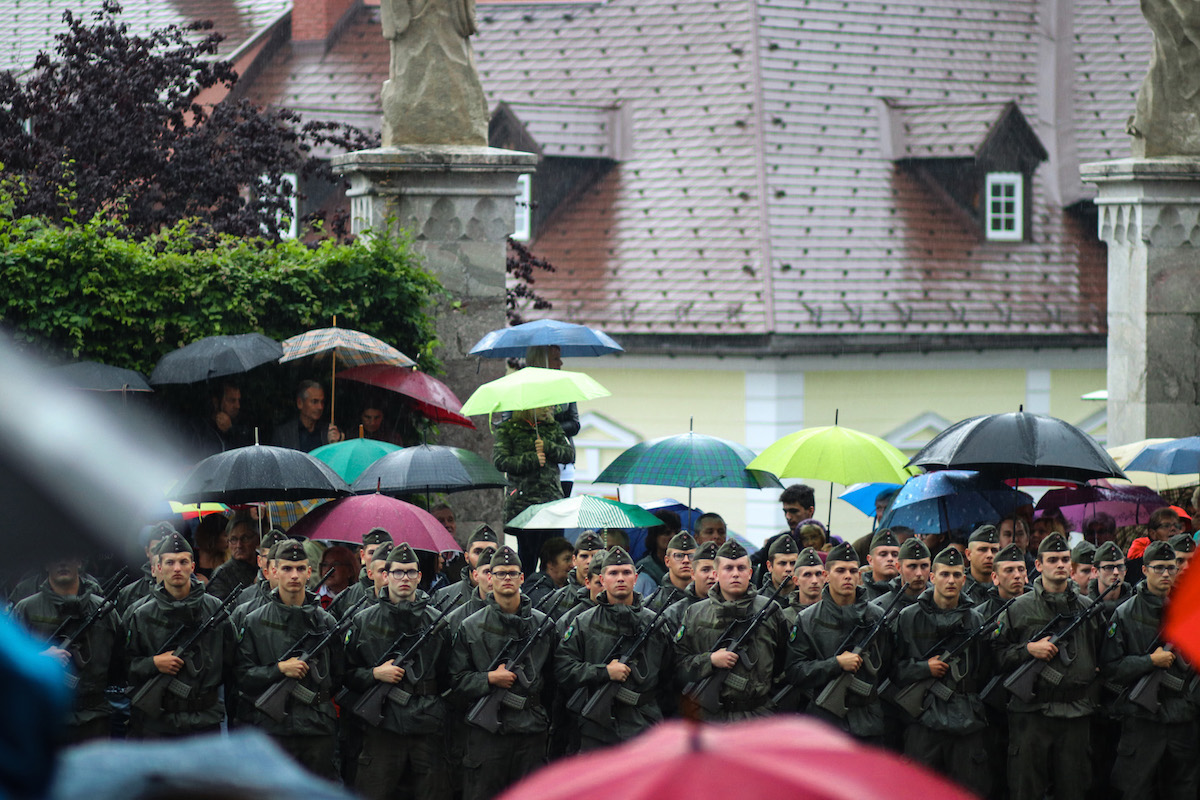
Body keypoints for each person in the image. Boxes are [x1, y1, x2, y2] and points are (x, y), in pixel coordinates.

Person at [992, 532, 1100, 800]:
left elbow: (1101, 656)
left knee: (1074, 789)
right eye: (1053, 559)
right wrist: (1028, 649)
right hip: (1032, 715)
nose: (1060, 565)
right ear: (1038, 565)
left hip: (1076, 713)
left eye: (1065, 559)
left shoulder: (1088, 608)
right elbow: (996, 657)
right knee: (1026, 788)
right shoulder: (1017, 608)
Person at [344, 542, 452, 800]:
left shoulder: (438, 623)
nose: (405, 578)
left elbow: (451, 677)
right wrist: (374, 675)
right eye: (398, 572)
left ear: (420, 577)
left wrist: (437, 708)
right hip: (381, 726)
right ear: (385, 575)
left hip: (426, 726)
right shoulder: (363, 620)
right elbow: (344, 674)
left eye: (411, 572)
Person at [450, 547, 553, 800]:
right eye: (500, 573)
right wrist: (488, 679)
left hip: (531, 730)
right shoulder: (470, 627)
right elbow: (455, 680)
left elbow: (554, 681)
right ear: (489, 578)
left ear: (521, 578)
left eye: (512, 573)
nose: (506, 578)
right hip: (487, 736)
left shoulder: (543, 626)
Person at [1101, 539, 1198, 799]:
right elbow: (1110, 668)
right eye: (1158, 568)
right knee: (1136, 791)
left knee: (1183, 790)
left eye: (1171, 567)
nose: (1166, 573)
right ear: (1144, 570)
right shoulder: (1125, 614)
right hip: (1142, 722)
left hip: (1182, 720)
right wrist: (1149, 662)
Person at [234, 541, 340, 778]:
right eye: (287, 569)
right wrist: (279, 669)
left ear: (309, 572)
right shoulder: (254, 621)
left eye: (301, 569)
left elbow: (339, 676)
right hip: (272, 728)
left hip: (317, 727)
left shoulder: (326, 623)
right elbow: (242, 676)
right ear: (273, 571)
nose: (294, 575)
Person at [891, 546, 992, 796]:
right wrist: (924, 668)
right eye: (945, 574)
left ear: (964, 579)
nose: (951, 580)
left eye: (957, 575)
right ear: (932, 577)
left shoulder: (975, 620)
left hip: (966, 718)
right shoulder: (908, 617)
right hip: (923, 719)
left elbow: (984, 669)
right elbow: (893, 670)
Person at [555, 547, 672, 750]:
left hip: (643, 725)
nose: (620, 578)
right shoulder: (583, 623)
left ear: (635, 578)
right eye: (613, 573)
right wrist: (604, 672)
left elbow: (669, 675)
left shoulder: (655, 624)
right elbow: (563, 669)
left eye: (626, 573)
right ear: (602, 579)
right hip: (597, 728)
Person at [125, 533, 232, 737]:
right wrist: (154, 663)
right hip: (157, 723)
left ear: (193, 566)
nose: (177, 568)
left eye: (183, 562)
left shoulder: (214, 609)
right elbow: (123, 667)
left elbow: (231, 662)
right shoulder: (141, 614)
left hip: (204, 720)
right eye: (170, 562)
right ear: (158, 567)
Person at [784, 542, 889, 743]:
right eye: (840, 570)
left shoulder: (877, 617)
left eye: (852, 571)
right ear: (826, 576)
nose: (847, 576)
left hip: (867, 722)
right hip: (824, 723)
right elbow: (795, 671)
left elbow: (887, 665)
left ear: (859, 576)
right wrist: (836, 664)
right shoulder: (807, 619)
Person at [13, 555, 124, 743]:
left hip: (95, 720)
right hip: (45, 718)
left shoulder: (104, 611)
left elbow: (121, 664)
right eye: (56, 558)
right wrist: (38, 659)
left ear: (80, 562)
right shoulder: (26, 609)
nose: (62, 563)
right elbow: (8, 667)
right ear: (46, 564)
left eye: (69, 557)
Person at [675, 540, 789, 721]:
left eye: (741, 568)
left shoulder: (770, 610)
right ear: (716, 573)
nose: (735, 574)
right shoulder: (695, 613)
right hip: (711, 717)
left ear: (750, 573)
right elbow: (677, 664)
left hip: (758, 715)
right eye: (728, 568)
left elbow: (783, 662)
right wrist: (710, 660)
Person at [493, 405, 573, 567]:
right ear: (528, 408)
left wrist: (547, 446)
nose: (547, 410)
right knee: (527, 556)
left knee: (554, 557)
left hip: (551, 502)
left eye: (548, 407)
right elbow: (500, 461)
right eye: (542, 408)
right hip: (524, 503)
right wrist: (533, 459)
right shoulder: (509, 430)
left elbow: (568, 454)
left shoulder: (553, 427)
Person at [525, 345, 580, 497]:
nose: (561, 363)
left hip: (564, 462)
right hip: (536, 462)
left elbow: (575, 424)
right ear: (542, 361)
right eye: (556, 359)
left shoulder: (566, 387)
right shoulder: (523, 389)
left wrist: (549, 428)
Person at [433, 525, 499, 612]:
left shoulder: (509, 597)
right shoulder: (444, 597)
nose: (484, 556)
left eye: (492, 552)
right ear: (467, 557)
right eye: (478, 552)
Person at [330, 528, 394, 619]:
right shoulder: (345, 597)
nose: (377, 557)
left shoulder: (407, 594)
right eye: (372, 553)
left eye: (383, 553)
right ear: (362, 555)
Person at [545, 531, 607, 621]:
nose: (589, 561)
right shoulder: (556, 599)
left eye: (594, 556)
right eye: (584, 556)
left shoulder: (613, 596)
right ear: (574, 559)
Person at [117, 522, 174, 616]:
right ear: (147, 551)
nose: (161, 556)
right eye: (156, 550)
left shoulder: (195, 591)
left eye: (167, 549)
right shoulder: (129, 594)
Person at [271, 380, 344, 452]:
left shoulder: (330, 432)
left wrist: (337, 444)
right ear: (300, 403)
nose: (320, 407)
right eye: (315, 402)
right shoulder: (284, 434)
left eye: (322, 402)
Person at [206, 511, 263, 600]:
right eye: (233, 539)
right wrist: (254, 588)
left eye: (245, 538)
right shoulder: (222, 575)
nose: (239, 545)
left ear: (257, 540)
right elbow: (221, 609)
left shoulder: (265, 566)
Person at [870, 537, 930, 615]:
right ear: (899, 567)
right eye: (912, 566)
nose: (919, 573)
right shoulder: (880, 608)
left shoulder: (941, 602)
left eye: (924, 566)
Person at [1126, 507, 1184, 585]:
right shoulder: (1136, 566)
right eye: (1166, 525)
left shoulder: (1188, 559)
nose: (1173, 528)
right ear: (1153, 533)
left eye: (1176, 525)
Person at [644, 531, 696, 612]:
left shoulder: (706, 598)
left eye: (691, 556)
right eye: (679, 556)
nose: (686, 560)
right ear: (667, 561)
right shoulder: (651, 604)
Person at [633, 510, 680, 595]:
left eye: (676, 533)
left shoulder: (684, 564)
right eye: (667, 533)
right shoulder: (644, 568)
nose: (673, 537)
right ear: (655, 536)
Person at [523, 536, 575, 605]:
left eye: (573, 560)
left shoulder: (570, 586)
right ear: (550, 564)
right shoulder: (536, 584)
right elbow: (552, 607)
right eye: (567, 559)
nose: (572, 565)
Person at [784, 547, 827, 623]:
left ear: (825, 577)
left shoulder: (834, 613)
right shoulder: (785, 618)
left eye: (818, 574)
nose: (814, 581)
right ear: (796, 580)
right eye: (807, 575)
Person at [963, 524, 999, 604]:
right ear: (968, 554)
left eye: (994, 550)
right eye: (983, 550)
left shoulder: (1005, 585)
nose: (989, 555)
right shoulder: (958, 585)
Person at [861, 529, 901, 601]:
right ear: (870, 560)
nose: (890, 559)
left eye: (895, 555)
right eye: (883, 554)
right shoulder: (860, 595)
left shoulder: (908, 593)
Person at [315, 545, 356, 610]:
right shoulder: (314, 598)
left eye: (335, 564)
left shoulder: (358, 596)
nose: (328, 569)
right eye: (325, 565)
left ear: (349, 570)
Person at [761, 534, 798, 604]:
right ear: (769, 566)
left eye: (793, 563)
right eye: (782, 563)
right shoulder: (758, 602)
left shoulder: (807, 599)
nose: (788, 568)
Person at [193, 514, 230, 582]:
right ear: (213, 536)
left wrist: (209, 585)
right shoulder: (191, 557)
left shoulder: (228, 560)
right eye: (225, 535)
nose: (229, 539)